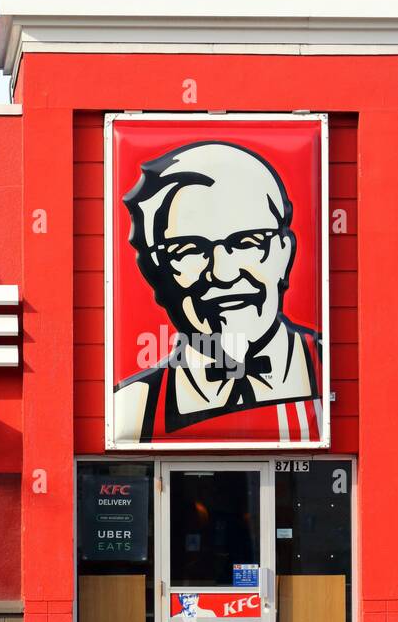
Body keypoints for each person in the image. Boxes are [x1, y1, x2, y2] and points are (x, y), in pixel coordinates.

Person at [114, 141, 322, 443]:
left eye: (248, 242)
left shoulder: (327, 370)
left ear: (284, 253)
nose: (223, 274)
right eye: (189, 250)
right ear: (156, 272)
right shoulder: (132, 407)